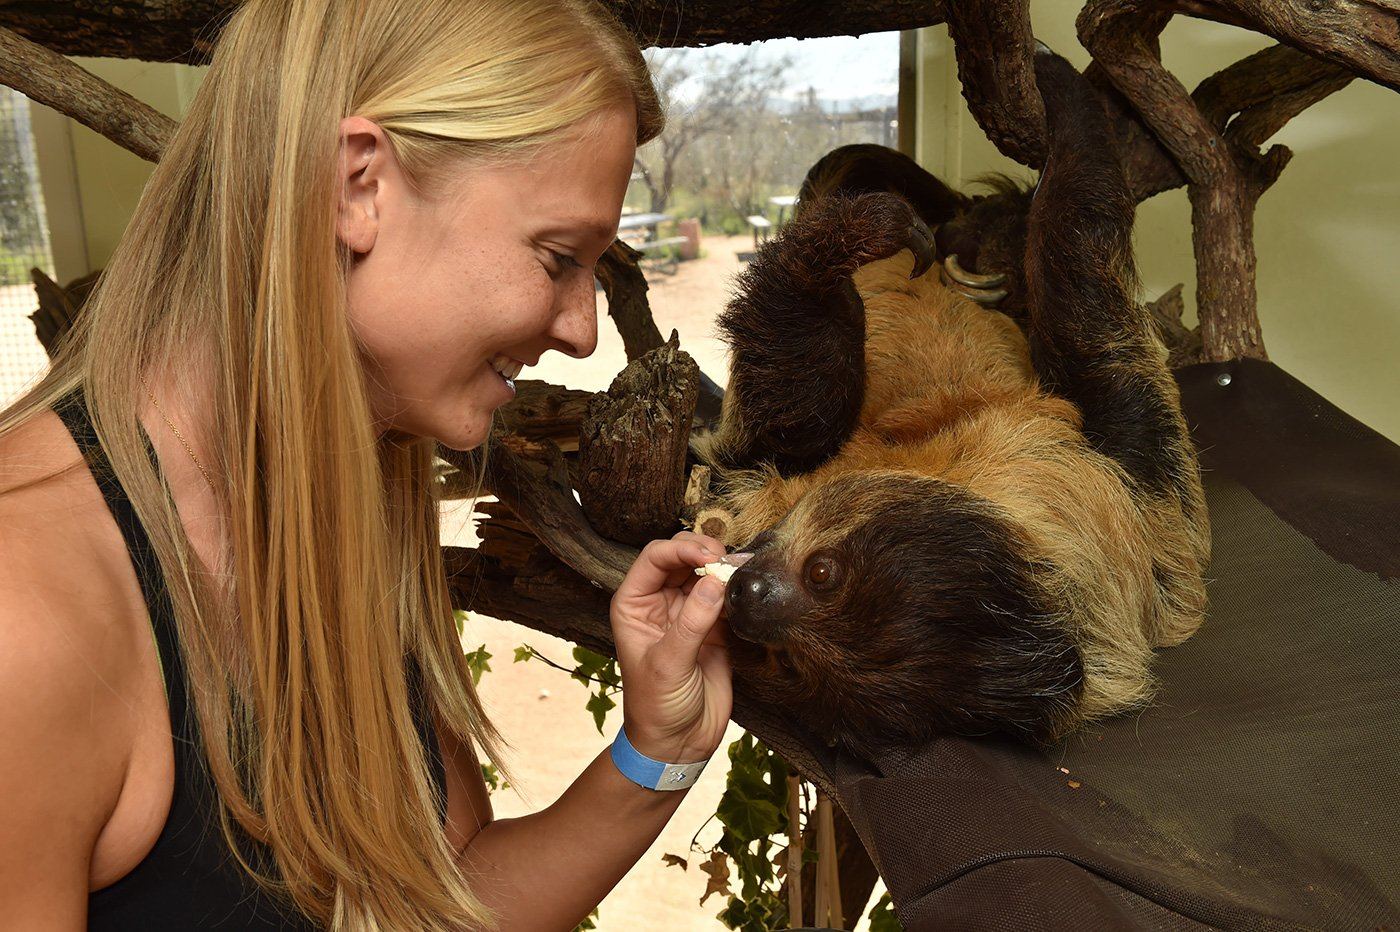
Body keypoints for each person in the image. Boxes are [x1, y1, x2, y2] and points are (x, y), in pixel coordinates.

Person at [0, 1, 733, 929]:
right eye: (557, 258)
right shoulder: (24, 613)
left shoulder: (336, 504)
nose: (584, 331)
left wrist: (654, 751)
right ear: (360, 186)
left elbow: (443, 899)